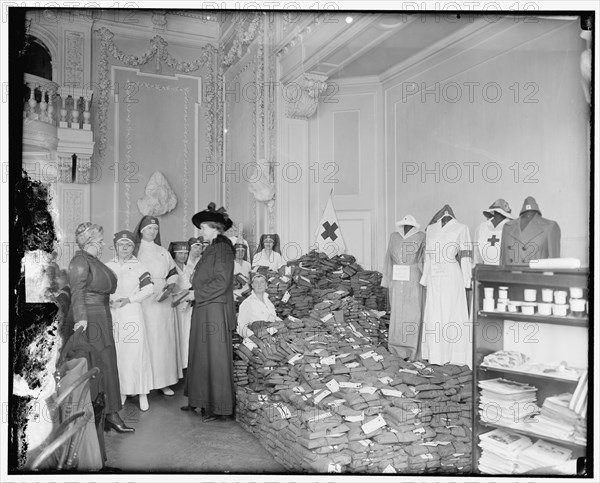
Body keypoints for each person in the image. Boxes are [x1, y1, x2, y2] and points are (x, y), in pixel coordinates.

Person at [66, 222, 134, 433]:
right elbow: (77, 292)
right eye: (99, 241)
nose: (103, 244)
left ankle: (110, 413)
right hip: (91, 319)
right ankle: (104, 414)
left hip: (102, 315)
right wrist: (82, 320)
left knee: (107, 363)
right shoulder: (79, 260)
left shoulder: (92, 260)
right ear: (89, 242)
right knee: (100, 364)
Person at [182, 202, 236, 422]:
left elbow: (222, 282)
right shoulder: (212, 247)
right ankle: (199, 400)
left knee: (214, 357)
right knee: (200, 354)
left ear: (215, 227)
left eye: (204, 226)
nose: (201, 230)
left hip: (214, 307)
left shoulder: (222, 248)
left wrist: (197, 294)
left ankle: (218, 407)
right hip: (205, 306)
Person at [133, 216, 182, 396]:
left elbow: (173, 272)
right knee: (149, 339)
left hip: (164, 299)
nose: (152, 232)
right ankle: (145, 382)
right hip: (146, 298)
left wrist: (170, 285)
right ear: (141, 230)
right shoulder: (135, 250)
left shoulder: (163, 251)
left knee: (164, 339)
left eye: (155, 229)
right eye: (149, 229)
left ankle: (164, 380)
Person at [106, 230, 154, 412]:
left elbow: (149, 289)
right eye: (121, 245)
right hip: (114, 313)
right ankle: (123, 391)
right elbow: (102, 288)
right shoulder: (108, 265)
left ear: (133, 247)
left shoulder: (140, 266)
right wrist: (108, 300)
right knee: (119, 353)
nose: (124, 248)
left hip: (132, 312)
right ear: (116, 246)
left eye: (128, 245)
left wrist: (129, 300)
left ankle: (142, 393)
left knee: (136, 352)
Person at [420, 205, 473, 367]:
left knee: (452, 313)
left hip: (451, 274)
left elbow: (466, 254)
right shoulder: (431, 229)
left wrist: (467, 279)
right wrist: (425, 277)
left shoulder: (461, 228)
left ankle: (454, 354)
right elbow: (428, 256)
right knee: (435, 314)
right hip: (434, 275)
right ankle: (435, 354)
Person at [381, 215, 425, 360]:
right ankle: (395, 348)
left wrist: (426, 278)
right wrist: (386, 280)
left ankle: (411, 350)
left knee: (413, 313)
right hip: (396, 278)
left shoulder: (421, 237)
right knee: (397, 313)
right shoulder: (394, 236)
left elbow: (424, 259)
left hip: (414, 278)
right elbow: (388, 258)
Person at [500, 196, 561, 265]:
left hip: (534, 275)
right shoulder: (507, 226)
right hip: (509, 275)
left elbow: (554, 262)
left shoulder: (550, 227)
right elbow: (503, 260)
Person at [169, 241, 194, 370]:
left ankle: (186, 364)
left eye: (185, 253)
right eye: (180, 253)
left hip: (188, 305)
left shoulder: (189, 268)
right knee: (177, 334)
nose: (183, 256)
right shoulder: (171, 268)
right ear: (174, 254)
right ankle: (176, 366)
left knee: (187, 334)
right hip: (176, 305)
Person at [237, 272, 281, 338]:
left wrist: (283, 323)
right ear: (252, 285)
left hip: (272, 337)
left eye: (262, 282)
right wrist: (255, 338)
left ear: (266, 285)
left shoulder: (269, 302)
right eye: (256, 282)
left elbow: (272, 318)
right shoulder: (247, 303)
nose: (259, 285)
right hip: (258, 340)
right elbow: (241, 328)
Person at [474, 198, 513, 265]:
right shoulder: (481, 228)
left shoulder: (512, 227)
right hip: (484, 270)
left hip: (505, 271)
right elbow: (476, 255)